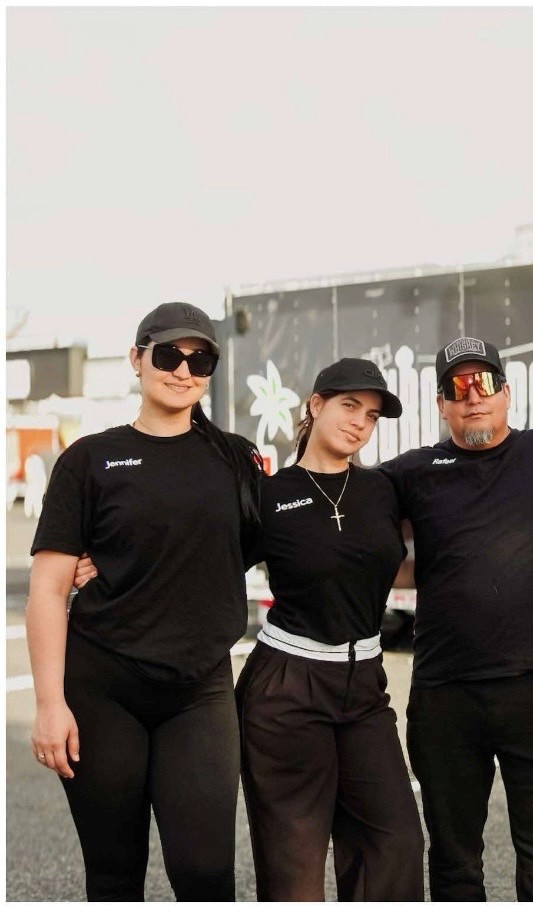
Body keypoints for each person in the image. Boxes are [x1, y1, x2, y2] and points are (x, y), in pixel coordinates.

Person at [27, 302, 261, 901]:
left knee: (206, 874)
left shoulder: (235, 459)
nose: (183, 370)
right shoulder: (89, 460)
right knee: (114, 874)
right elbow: (47, 590)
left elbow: (266, 546)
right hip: (103, 690)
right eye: (168, 355)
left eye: (200, 360)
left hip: (199, 691)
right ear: (136, 358)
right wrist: (50, 705)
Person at [378, 337, 533, 901]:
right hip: (445, 693)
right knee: (454, 859)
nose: (473, 397)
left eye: (484, 383)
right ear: (441, 404)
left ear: (507, 393)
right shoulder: (413, 472)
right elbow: (338, 497)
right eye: (458, 388)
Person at [235, 358, 425, 901]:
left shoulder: (383, 490)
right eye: (349, 406)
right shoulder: (270, 497)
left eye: (371, 415)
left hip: (364, 686)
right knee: (293, 870)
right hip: (286, 688)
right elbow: (199, 560)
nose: (360, 422)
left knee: (396, 844)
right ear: (315, 405)